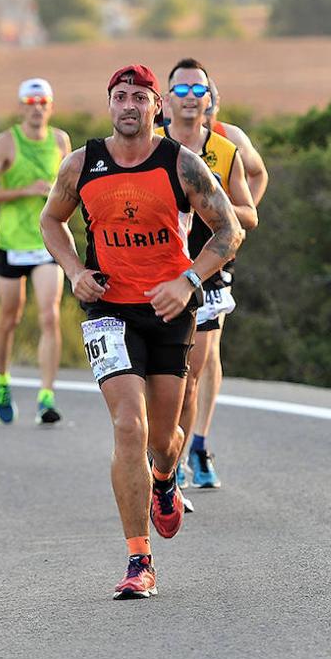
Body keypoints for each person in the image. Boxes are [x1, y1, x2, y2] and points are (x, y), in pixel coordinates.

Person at [39, 64, 243, 600]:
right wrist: (75, 271)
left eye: (140, 98)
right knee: (128, 426)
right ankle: (139, 558)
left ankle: (166, 479)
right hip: (109, 307)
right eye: (120, 96)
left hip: (169, 308)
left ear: (157, 107)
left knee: (162, 441)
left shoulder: (183, 164)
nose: (129, 105)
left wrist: (188, 280)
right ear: (110, 105)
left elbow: (230, 229)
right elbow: (50, 222)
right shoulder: (82, 164)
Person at [156, 59, 257, 496]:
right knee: (160, 375)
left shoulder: (226, 146)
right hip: (158, 268)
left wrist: (216, 210)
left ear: (211, 97)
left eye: (199, 90)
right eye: (181, 90)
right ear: (166, 100)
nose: (191, 97)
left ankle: (179, 461)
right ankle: (164, 451)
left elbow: (249, 209)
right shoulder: (151, 144)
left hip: (210, 270)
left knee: (192, 373)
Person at [182, 76, 269, 488]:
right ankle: (172, 449)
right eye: (184, 94)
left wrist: (228, 218)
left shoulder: (228, 139)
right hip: (172, 260)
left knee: (206, 354)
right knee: (183, 362)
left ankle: (197, 444)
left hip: (216, 259)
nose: (199, 105)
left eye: (205, 98)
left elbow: (258, 175)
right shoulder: (166, 140)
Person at [0, 78, 71, 425]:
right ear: (20, 107)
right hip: (10, 242)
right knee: (10, 318)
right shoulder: (5, 143)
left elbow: (68, 188)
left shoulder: (60, 141)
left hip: (46, 240)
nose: (37, 107)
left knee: (49, 314)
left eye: (43, 101)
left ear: (51, 106)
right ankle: (1, 380)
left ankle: (47, 395)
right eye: (30, 101)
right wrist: (24, 190)